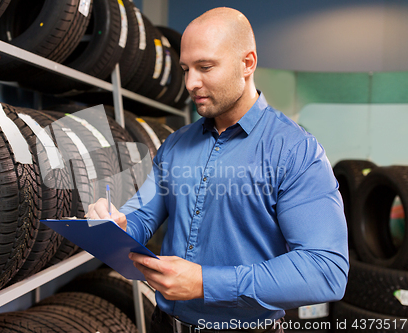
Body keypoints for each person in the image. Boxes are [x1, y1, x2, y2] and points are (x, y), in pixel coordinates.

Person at [87, 7, 349, 333]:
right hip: (166, 325)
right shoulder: (175, 145)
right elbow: (141, 217)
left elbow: (325, 271)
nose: (191, 83)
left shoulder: (295, 151)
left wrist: (205, 282)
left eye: (205, 67)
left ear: (247, 63)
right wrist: (115, 225)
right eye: (185, 69)